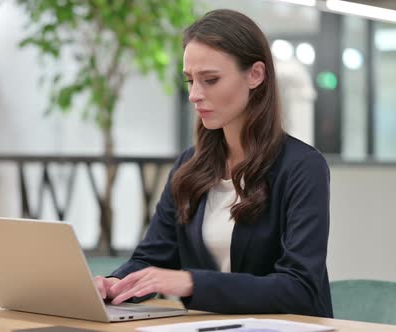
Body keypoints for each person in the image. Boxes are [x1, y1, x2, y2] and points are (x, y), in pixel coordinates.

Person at [93, 9, 333, 318]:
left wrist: (190, 282)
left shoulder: (303, 167)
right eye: (190, 80)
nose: (194, 95)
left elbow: (298, 288)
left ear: (255, 75)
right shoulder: (189, 166)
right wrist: (115, 284)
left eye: (210, 80)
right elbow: (153, 257)